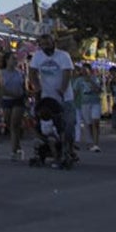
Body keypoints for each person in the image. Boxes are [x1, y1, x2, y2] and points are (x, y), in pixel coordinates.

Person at [29, 33, 76, 164]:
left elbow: (67, 73)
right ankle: (46, 149)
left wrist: (62, 89)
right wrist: (37, 87)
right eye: (43, 45)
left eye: (48, 44)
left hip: (64, 97)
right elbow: (32, 72)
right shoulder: (38, 56)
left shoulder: (63, 56)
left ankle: (69, 149)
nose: (45, 47)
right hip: (46, 97)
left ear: (53, 43)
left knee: (68, 125)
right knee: (45, 126)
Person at [0, 52, 27, 160]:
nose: (15, 61)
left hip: (18, 100)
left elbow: (23, 86)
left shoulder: (20, 73)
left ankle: (14, 150)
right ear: (7, 60)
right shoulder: (2, 73)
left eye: (16, 59)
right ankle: (17, 145)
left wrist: (24, 95)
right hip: (7, 100)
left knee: (15, 124)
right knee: (9, 124)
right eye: (12, 59)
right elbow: (1, 89)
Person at [73, 63, 103, 152]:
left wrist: (90, 81)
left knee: (95, 122)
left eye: (86, 70)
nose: (84, 72)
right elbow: (75, 92)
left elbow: (98, 90)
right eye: (83, 70)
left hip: (95, 103)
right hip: (84, 104)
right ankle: (91, 141)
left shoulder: (95, 79)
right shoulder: (78, 81)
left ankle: (96, 144)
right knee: (89, 124)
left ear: (90, 70)